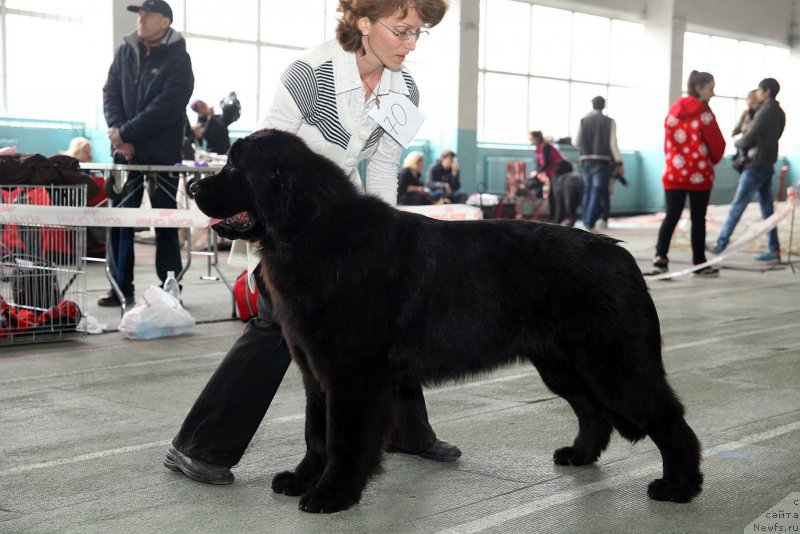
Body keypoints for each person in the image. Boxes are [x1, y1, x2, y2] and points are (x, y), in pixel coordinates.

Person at [164, 0, 460, 486]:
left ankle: (408, 433)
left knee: (384, 317)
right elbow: (264, 165)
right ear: (364, 23)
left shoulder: (403, 85)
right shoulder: (308, 74)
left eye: (418, 34)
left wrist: (383, 242)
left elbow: (384, 164)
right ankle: (199, 445)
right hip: (289, 222)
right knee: (275, 323)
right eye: (402, 31)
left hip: (344, 218)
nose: (411, 44)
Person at [99, 0, 193, 306]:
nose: (141, 18)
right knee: (119, 218)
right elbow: (110, 92)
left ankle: (169, 289)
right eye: (139, 14)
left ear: (165, 21)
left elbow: (167, 108)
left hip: (160, 156)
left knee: (164, 221)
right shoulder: (125, 52)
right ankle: (119, 285)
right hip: (122, 154)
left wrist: (126, 134)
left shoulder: (179, 59)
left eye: (148, 14)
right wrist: (117, 133)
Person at [648, 70, 725, 277]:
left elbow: (667, 145)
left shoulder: (674, 111)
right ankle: (699, 263)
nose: (713, 94)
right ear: (699, 88)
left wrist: (676, 162)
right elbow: (718, 146)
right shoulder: (705, 114)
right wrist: (707, 161)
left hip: (675, 174)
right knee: (698, 219)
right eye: (711, 88)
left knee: (671, 217)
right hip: (699, 175)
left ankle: (660, 260)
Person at [708, 78, 786, 262]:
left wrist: (737, 143)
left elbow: (750, 135)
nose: (756, 95)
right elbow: (777, 133)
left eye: (759, 91)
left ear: (766, 92)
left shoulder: (766, 111)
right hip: (766, 164)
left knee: (737, 205)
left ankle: (720, 243)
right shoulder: (779, 112)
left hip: (755, 166)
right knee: (767, 210)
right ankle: (774, 249)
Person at [575, 96, 623, 231]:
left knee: (587, 190)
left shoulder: (583, 121)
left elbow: (576, 142)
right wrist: (619, 162)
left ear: (592, 105)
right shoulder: (610, 122)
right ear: (604, 106)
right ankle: (589, 223)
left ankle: (585, 220)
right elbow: (613, 144)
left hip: (585, 160)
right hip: (601, 161)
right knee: (597, 191)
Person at [527, 131, 564, 222]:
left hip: (558, 172)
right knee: (550, 196)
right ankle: (551, 217)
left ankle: (554, 218)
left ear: (536, 138)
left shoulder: (545, 147)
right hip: (550, 173)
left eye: (531, 139)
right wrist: (534, 172)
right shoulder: (539, 149)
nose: (530, 141)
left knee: (553, 196)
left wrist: (537, 172)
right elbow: (539, 164)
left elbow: (547, 163)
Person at [731, 89, 760, 173]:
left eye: (750, 98)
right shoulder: (745, 112)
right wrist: (735, 131)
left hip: (753, 139)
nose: (748, 101)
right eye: (747, 98)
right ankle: (740, 157)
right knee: (741, 145)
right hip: (744, 137)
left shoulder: (760, 112)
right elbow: (739, 125)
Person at [550, 160, 582, 226]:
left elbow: (559, 202)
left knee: (564, 203)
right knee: (572, 204)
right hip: (578, 181)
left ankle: (563, 221)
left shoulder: (556, 178)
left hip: (568, 184)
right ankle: (571, 220)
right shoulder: (575, 176)